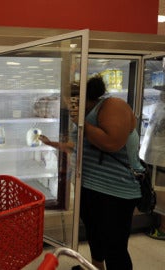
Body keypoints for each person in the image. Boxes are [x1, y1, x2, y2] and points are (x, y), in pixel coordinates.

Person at [39, 75, 143, 270]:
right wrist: (51, 143)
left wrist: (81, 123)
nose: (67, 105)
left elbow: (112, 143)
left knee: (115, 246)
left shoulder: (113, 106)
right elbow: (77, 146)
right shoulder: (85, 115)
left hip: (116, 190)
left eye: (68, 100)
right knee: (95, 236)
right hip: (89, 185)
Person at [139, 89, 165, 240]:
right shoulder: (158, 106)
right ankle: (159, 224)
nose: (161, 94)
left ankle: (163, 227)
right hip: (151, 156)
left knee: (162, 193)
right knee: (154, 191)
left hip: (162, 159)